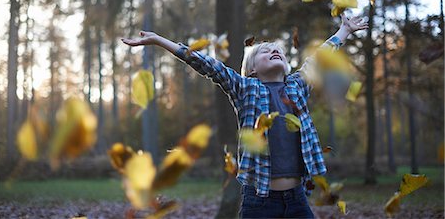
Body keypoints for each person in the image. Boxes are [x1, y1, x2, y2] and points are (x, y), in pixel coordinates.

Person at [121, 13, 368, 218]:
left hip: (298, 200)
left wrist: (344, 30)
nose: (275, 51)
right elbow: (205, 63)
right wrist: (159, 41)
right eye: (265, 51)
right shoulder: (245, 88)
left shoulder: (298, 85)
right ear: (251, 70)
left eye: (278, 51)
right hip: (259, 202)